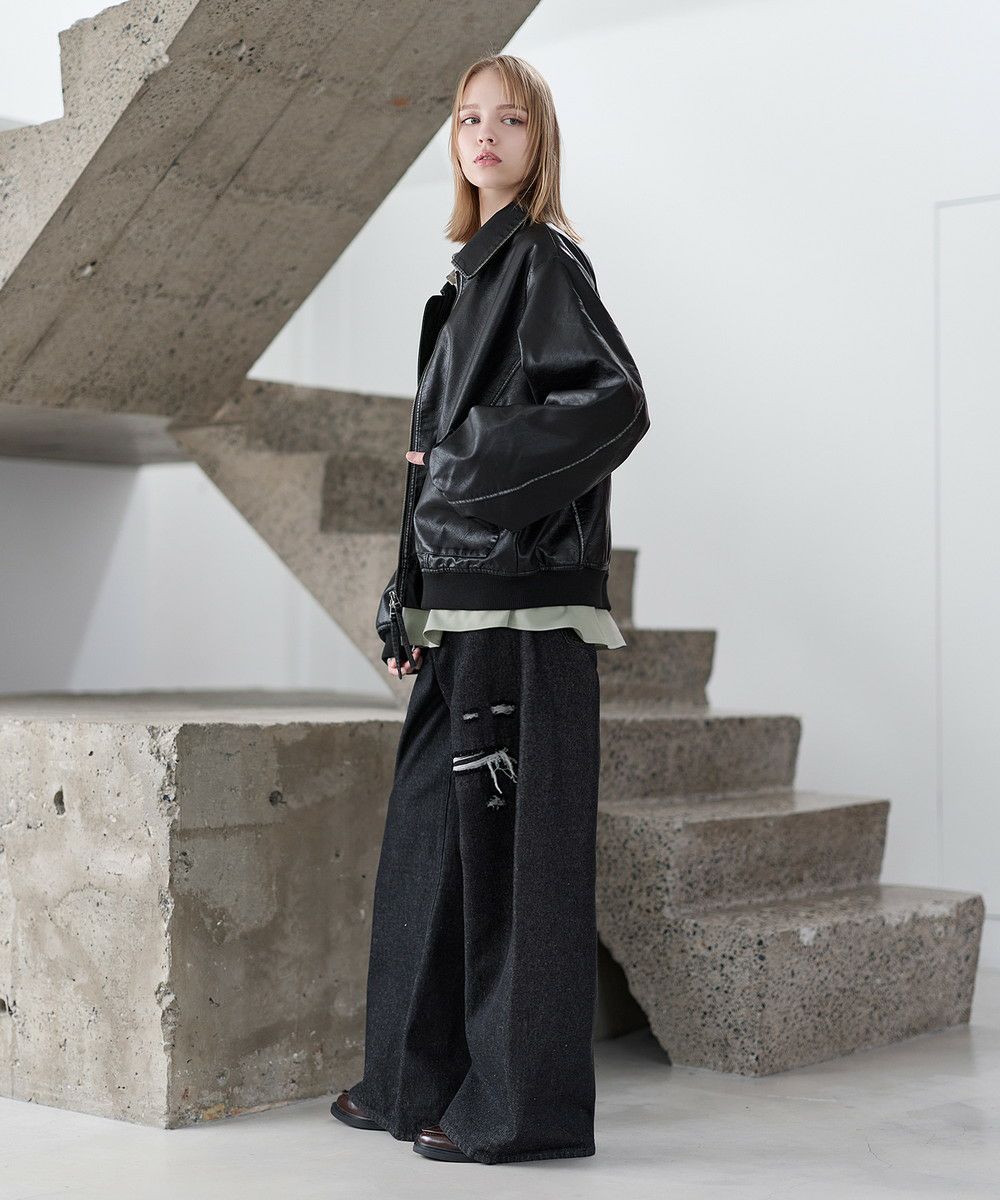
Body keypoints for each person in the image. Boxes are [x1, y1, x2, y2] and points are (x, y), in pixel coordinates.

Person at [330, 53, 649, 1165]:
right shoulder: (467, 281)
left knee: (519, 875)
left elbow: (612, 403)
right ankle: (406, 1078)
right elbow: (426, 472)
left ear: (536, 140)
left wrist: (465, 466)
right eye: (469, 118)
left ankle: (521, 1114)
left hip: (523, 615)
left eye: (508, 119)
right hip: (461, 611)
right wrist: (405, 601)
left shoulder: (543, 262)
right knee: (428, 853)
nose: (484, 135)